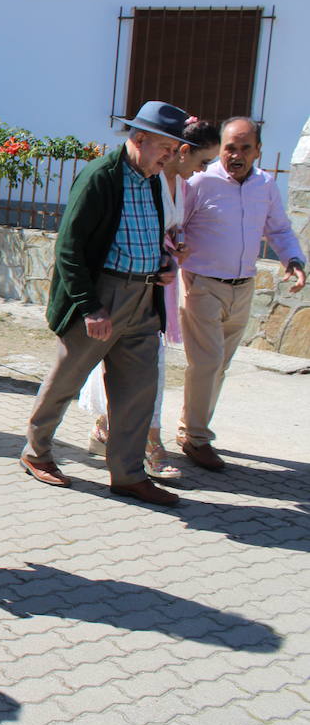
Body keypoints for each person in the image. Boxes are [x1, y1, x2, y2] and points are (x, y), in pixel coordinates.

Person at [21, 101, 188, 507]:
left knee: (138, 391)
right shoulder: (100, 176)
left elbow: (147, 233)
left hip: (144, 298)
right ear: (139, 137)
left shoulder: (150, 179)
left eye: (174, 149)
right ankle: (36, 452)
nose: (170, 156)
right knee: (67, 378)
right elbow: (69, 247)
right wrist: (89, 306)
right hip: (103, 296)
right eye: (165, 147)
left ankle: (128, 474)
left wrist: (163, 262)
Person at [77, 119, 220, 480]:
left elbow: (169, 227)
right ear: (182, 152)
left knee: (142, 361)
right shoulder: (147, 179)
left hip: (161, 282)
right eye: (202, 162)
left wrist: (177, 243)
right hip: (131, 281)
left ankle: (109, 429)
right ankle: (148, 442)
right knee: (130, 361)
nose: (203, 171)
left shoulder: (181, 186)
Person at [177, 116, 306, 470]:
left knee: (219, 365)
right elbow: (177, 225)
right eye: (229, 148)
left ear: (257, 151)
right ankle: (196, 438)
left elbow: (278, 228)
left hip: (243, 287)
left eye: (244, 148)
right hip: (202, 284)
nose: (235, 155)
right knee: (205, 362)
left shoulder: (264, 184)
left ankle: (192, 427)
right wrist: (179, 251)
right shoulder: (201, 181)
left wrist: (293, 260)